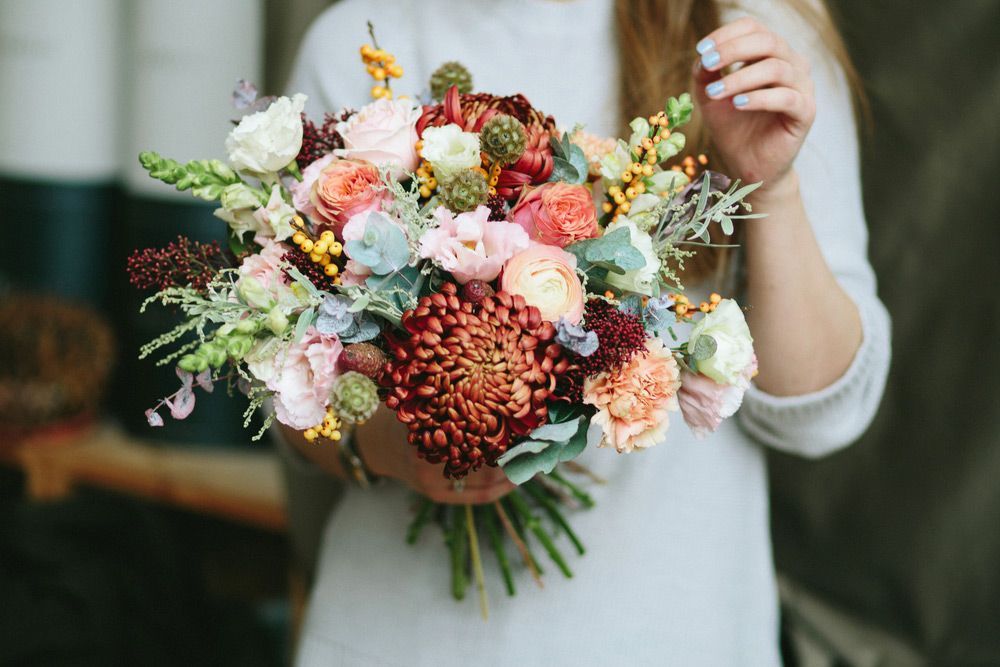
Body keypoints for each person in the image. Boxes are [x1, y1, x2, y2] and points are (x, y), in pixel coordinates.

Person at [278, 0, 891, 663]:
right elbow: (286, 386)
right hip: (400, 635)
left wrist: (770, 188)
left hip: (672, 628)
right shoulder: (363, 37)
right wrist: (405, 448)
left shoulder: (755, 43)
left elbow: (820, 415)